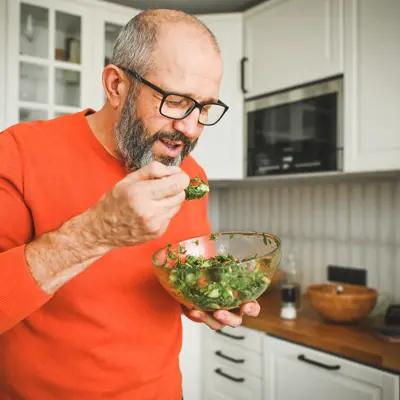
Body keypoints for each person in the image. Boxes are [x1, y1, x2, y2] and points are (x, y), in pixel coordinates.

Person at [0, 9, 260, 400]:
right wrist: (95, 233)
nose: (191, 129)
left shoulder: (192, 176)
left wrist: (210, 298)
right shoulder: (18, 153)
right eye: (176, 101)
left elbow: (173, 283)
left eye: (204, 108)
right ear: (117, 85)